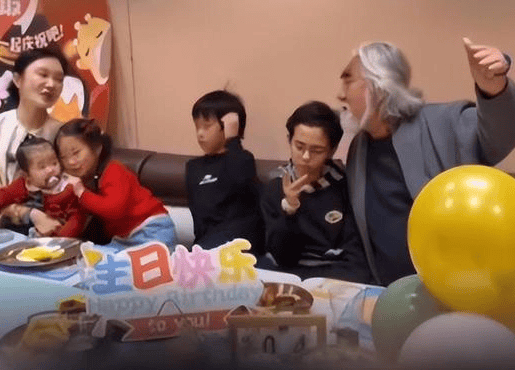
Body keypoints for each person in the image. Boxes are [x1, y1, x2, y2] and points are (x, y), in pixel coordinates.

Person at [337, 37, 515, 286]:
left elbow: (504, 133)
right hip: (394, 296)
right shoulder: (359, 148)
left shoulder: (443, 123)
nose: (340, 95)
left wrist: (495, 89)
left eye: (348, 80)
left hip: (467, 290)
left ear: (378, 84)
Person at [260, 101, 372, 283]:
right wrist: (290, 208)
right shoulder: (275, 187)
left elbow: (356, 257)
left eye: (316, 150)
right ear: (289, 141)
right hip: (289, 276)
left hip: (334, 276)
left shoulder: (347, 186)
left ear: (331, 150)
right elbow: (283, 258)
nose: (305, 157)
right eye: (299, 146)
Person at [0, 48, 70, 235]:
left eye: (59, 79)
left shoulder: (65, 134)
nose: (51, 84)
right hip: (1, 237)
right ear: (17, 80)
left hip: (57, 234)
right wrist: (30, 214)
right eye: (43, 74)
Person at [55, 118, 177, 251]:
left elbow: (114, 210)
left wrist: (82, 193)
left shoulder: (114, 170)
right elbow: (78, 218)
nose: (71, 162)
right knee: (92, 257)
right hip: (123, 239)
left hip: (151, 229)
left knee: (135, 261)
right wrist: (57, 243)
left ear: (97, 148)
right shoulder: (82, 183)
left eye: (76, 153)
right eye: (64, 157)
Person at [185, 90, 264, 254]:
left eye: (207, 126)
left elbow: (240, 181)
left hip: (241, 247)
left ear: (228, 126)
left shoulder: (243, 160)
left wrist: (233, 140)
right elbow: (199, 220)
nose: (200, 133)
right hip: (206, 247)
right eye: (197, 126)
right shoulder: (193, 167)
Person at [0, 136, 86, 238]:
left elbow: (76, 216)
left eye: (54, 163)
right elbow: (5, 194)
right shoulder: (24, 185)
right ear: (27, 175)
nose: (50, 170)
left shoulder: (67, 187)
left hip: (56, 237)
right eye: (42, 167)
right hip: (22, 234)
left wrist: (61, 236)